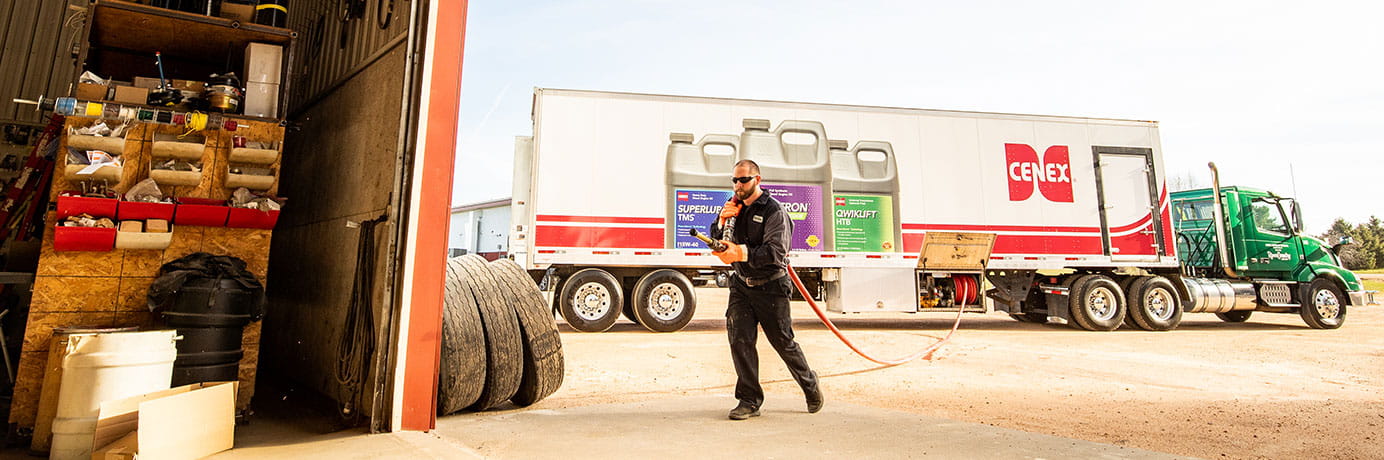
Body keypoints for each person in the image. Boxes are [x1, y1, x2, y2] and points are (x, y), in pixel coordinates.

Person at [710, 159, 823, 420]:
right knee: (740, 340)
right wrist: (720, 221)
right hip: (741, 285)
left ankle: (810, 384)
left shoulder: (774, 211)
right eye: (735, 180)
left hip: (771, 285)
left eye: (744, 180)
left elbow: (775, 252)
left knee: (782, 342)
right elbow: (719, 239)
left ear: (757, 180)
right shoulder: (733, 207)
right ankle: (749, 400)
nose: (738, 185)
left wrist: (741, 252)